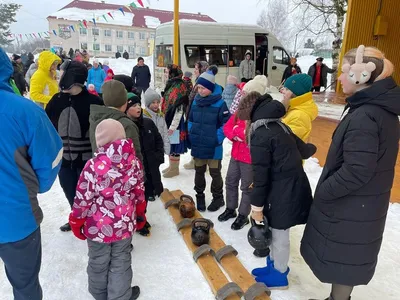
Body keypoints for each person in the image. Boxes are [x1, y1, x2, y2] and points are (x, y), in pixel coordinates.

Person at [301, 46, 400, 300]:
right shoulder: (373, 108)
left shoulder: (366, 115)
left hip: (352, 203)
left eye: (344, 72)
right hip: (362, 202)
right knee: (346, 258)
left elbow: (356, 170)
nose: (340, 78)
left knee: (344, 256)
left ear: (362, 76)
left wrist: (325, 190)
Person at [0, 47, 63, 300]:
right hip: (15, 218)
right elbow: (50, 158)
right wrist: (36, 185)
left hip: (15, 217)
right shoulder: (25, 111)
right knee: (25, 286)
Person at [237, 91, 316, 289]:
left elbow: (260, 175)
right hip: (287, 186)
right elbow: (303, 149)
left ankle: (280, 275)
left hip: (283, 191)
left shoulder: (261, 133)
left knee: (280, 234)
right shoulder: (278, 125)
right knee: (272, 228)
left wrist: (256, 207)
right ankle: (273, 267)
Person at [69, 119, 144, 300]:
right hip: (124, 224)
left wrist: (76, 220)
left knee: (98, 261)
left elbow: (82, 198)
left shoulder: (93, 166)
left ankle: (100, 295)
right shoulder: (134, 163)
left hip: (97, 227)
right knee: (121, 260)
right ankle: (119, 296)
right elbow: (139, 192)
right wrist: (140, 213)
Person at [45, 60, 103, 232]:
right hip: (64, 159)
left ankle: (94, 220)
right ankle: (76, 218)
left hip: (87, 161)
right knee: (69, 190)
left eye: (62, 73)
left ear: (72, 76)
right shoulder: (56, 101)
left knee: (90, 194)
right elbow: (46, 128)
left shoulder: (94, 101)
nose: (59, 77)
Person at [188, 70, 230, 212]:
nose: (200, 90)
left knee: (215, 173)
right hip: (199, 144)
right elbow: (190, 120)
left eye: (203, 88)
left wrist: (216, 138)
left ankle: (218, 198)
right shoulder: (195, 102)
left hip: (214, 146)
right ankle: (199, 196)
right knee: (199, 171)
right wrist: (191, 132)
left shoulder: (220, 104)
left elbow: (226, 124)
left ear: (211, 88)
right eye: (198, 87)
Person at [126, 95, 164, 235]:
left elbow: (158, 140)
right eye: (133, 106)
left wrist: (158, 157)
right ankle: (132, 220)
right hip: (133, 172)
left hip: (149, 169)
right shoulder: (124, 126)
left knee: (145, 195)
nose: (137, 108)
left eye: (138, 105)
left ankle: (141, 219)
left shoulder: (148, 123)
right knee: (133, 198)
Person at [89, 79, 143, 163]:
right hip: (124, 174)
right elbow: (135, 155)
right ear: (124, 102)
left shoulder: (95, 119)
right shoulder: (126, 124)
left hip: (101, 171)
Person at [218, 109, 252, 230]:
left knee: (247, 188)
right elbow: (227, 127)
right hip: (236, 154)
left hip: (249, 158)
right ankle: (231, 209)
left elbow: (251, 134)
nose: (243, 95)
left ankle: (243, 215)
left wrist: (237, 130)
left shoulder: (257, 112)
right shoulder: (240, 111)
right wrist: (235, 133)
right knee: (230, 181)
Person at [162, 64, 189, 178]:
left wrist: (173, 126)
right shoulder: (171, 84)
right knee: (170, 144)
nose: (166, 73)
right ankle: (171, 165)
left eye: (167, 71)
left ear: (172, 72)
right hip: (169, 119)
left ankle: (175, 169)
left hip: (175, 122)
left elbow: (179, 110)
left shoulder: (180, 86)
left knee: (174, 145)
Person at [184, 61, 209, 170]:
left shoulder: (203, 83)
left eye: (196, 69)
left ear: (202, 70)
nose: (194, 71)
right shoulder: (200, 81)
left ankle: (200, 161)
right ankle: (195, 159)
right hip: (194, 114)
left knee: (199, 139)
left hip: (198, 116)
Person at [281, 74, 318, 141]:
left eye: (286, 89)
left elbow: (283, 141)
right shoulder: (291, 108)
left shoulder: (299, 116)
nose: (282, 91)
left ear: (296, 92)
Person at [143, 88, 171, 156]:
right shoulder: (144, 116)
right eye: (153, 102)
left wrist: (167, 148)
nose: (156, 105)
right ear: (148, 103)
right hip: (147, 150)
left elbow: (165, 133)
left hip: (159, 149)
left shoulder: (161, 116)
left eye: (158, 102)